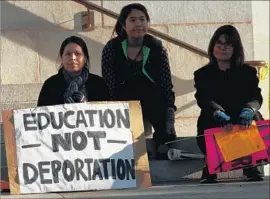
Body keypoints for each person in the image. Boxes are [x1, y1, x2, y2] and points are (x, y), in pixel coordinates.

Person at [101, 3, 176, 159]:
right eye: (133, 20)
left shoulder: (157, 47)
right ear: (123, 25)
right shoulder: (112, 48)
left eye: (142, 19)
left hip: (153, 99)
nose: (138, 24)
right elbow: (109, 84)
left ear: (148, 23)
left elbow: (166, 83)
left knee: (165, 132)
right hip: (125, 101)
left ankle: (162, 146)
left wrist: (169, 112)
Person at [194, 25, 264, 183]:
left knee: (256, 116)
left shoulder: (248, 72)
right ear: (212, 46)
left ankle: (251, 165)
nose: (222, 47)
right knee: (207, 116)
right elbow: (204, 98)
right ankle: (211, 165)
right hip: (217, 120)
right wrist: (218, 113)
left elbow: (255, 96)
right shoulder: (202, 74)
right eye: (218, 43)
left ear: (236, 48)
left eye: (228, 44)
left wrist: (249, 110)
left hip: (241, 120)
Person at [38, 36, 109, 106]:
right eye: (68, 54)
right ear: (62, 57)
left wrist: (87, 106)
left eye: (77, 54)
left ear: (85, 58)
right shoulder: (50, 85)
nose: (72, 58)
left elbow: (106, 111)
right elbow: (41, 113)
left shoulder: (98, 83)